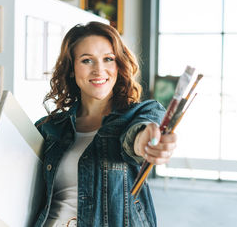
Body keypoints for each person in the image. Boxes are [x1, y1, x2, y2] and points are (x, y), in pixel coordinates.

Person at [34, 22, 177, 227]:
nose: (99, 70)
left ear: (118, 65)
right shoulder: (49, 128)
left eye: (108, 59)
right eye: (86, 61)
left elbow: (139, 136)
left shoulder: (140, 114)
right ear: (72, 68)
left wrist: (147, 142)